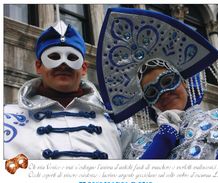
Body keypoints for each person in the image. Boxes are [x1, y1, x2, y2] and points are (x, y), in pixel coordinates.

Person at [96, 8, 218, 159]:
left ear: (184, 83)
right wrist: (162, 141)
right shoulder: (138, 147)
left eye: (167, 81)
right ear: (149, 103)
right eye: (151, 92)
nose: (163, 92)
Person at [4, 20, 127, 160]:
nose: (63, 64)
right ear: (38, 66)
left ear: (83, 68)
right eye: (54, 57)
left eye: (72, 58)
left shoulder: (117, 122)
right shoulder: (6, 119)